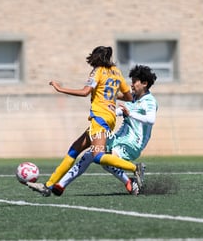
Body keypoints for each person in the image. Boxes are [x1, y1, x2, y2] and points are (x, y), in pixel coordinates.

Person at [27, 46, 145, 196]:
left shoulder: (97, 71)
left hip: (100, 117)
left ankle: (135, 168)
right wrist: (109, 96)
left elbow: (84, 92)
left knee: (98, 156)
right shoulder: (116, 72)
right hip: (109, 117)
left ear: (96, 58)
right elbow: (129, 97)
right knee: (74, 149)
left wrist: (60, 89)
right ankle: (48, 186)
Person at [55, 65, 158, 196]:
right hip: (120, 137)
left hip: (133, 143)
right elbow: (120, 111)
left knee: (104, 160)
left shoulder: (149, 101)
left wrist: (129, 113)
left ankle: (132, 177)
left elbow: (151, 119)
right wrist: (104, 114)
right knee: (91, 154)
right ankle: (60, 185)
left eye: (134, 82)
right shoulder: (133, 97)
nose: (131, 85)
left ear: (144, 83)